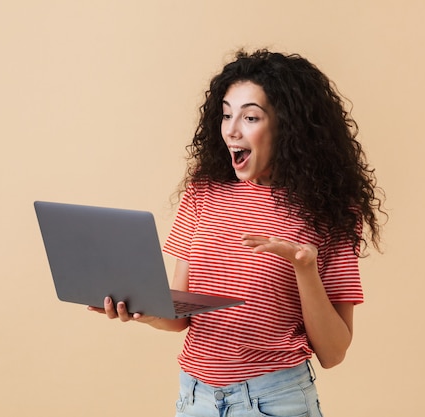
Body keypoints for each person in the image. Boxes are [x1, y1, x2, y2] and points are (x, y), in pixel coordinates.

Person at [89, 49, 385, 417]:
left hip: (275, 401)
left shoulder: (329, 210)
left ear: (288, 125)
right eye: (227, 114)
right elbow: (180, 315)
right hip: (195, 399)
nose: (231, 129)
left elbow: (334, 353)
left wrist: (304, 267)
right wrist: (141, 309)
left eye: (250, 117)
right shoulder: (204, 192)